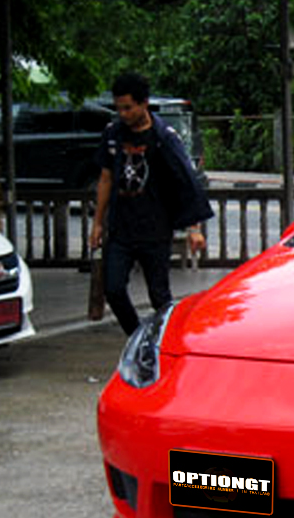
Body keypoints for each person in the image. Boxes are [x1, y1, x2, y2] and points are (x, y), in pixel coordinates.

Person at [89, 73, 212, 335]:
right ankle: (137, 337)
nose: (123, 114)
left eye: (128, 108)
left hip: (155, 229)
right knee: (113, 289)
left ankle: (167, 340)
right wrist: (98, 223)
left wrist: (194, 228)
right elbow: (105, 178)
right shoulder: (113, 134)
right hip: (121, 228)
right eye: (119, 108)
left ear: (144, 103)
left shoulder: (164, 137)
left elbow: (185, 182)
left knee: (159, 295)